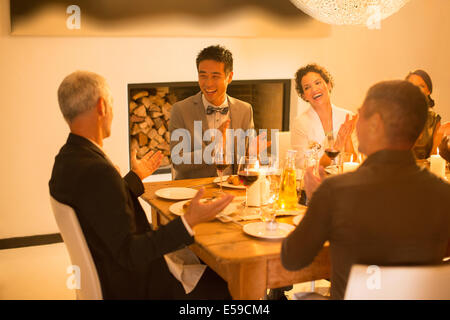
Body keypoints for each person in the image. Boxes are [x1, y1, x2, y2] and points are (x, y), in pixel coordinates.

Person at [49, 71, 234, 299]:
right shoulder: (98, 171)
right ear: (101, 107)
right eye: (112, 103)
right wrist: (188, 221)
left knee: (196, 259)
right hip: (136, 286)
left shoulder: (69, 158)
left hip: (112, 270)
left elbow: (102, 210)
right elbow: (131, 252)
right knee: (226, 281)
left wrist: (134, 178)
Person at [282, 80, 450, 300]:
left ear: (376, 124)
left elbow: (292, 258)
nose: (355, 123)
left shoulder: (336, 191)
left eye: (361, 115)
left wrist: (317, 201)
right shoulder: (443, 194)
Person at [169, 45, 255, 180]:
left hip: (232, 189)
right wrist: (214, 146)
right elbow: (178, 162)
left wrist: (257, 154)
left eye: (215, 76)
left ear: (229, 77)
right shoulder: (180, 110)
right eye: (203, 76)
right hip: (192, 192)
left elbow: (248, 158)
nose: (208, 84)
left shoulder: (245, 110)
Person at [291, 63, 357, 168]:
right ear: (304, 96)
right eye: (307, 88)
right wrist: (338, 145)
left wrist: (347, 138)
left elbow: (355, 163)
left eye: (318, 83)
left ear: (329, 84)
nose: (314, 90)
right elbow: (301, 166)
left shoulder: (348, 117)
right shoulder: (300, 123)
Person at [406, 69, 441, 159]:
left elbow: (435, 158)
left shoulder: (434, 120)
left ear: (428, 91)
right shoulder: (395, 117)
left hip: (425, 170)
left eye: (421, 86)